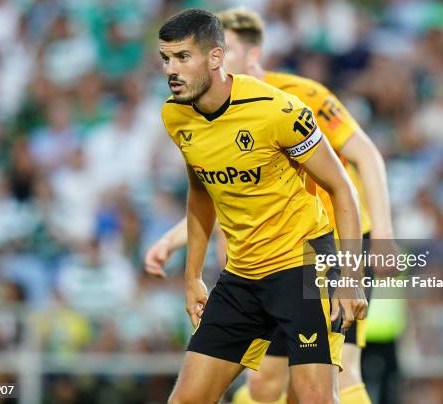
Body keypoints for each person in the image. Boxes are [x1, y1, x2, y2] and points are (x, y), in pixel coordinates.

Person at [147, 7, 395, 404]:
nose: (171, 70)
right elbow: (202, 190)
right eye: (166, 59)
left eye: (182, 57)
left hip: (304, 268)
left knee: (317, 397)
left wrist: (351, 273)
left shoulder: (280, 109)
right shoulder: (175, 116)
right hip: (242, 274)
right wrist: (192, 274)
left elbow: (342, 187)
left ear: (216, 57)